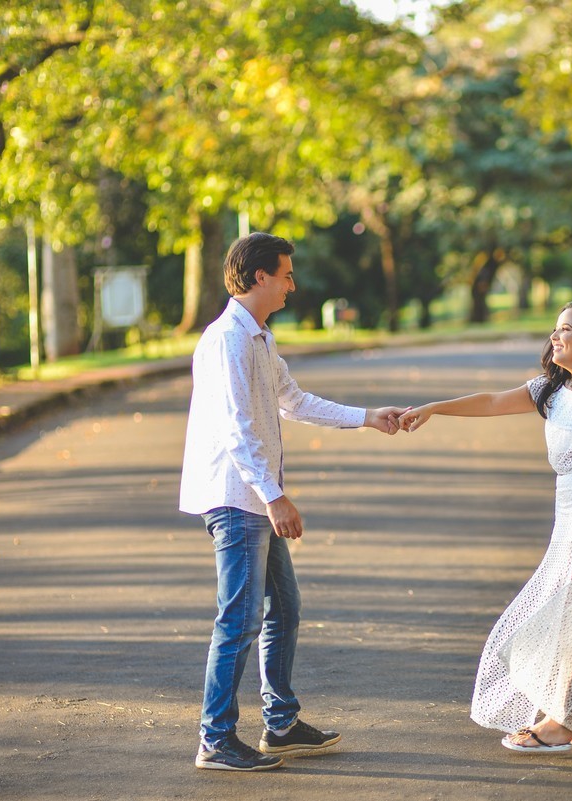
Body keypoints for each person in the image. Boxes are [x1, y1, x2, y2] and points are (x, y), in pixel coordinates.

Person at [179, 232, 405, 771]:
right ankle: (215, 739)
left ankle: (279, 725)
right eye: (285, 274)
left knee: (284, 608)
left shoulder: (259, 337)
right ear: (259, 277)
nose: (291, 284)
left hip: (254, 496)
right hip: (236, 498)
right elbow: (237, 429)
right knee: (238, 618)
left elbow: (293, 401)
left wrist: (367, 417)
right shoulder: (228, 340)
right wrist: (275, 496)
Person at [397, 302, 572, 753]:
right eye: (555, 330)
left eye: (565, 330)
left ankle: (560, 722)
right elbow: (492, 401)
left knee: (569, 613)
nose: (555, 337)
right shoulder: (554, 389)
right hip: (569, 507)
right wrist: (435, 407)